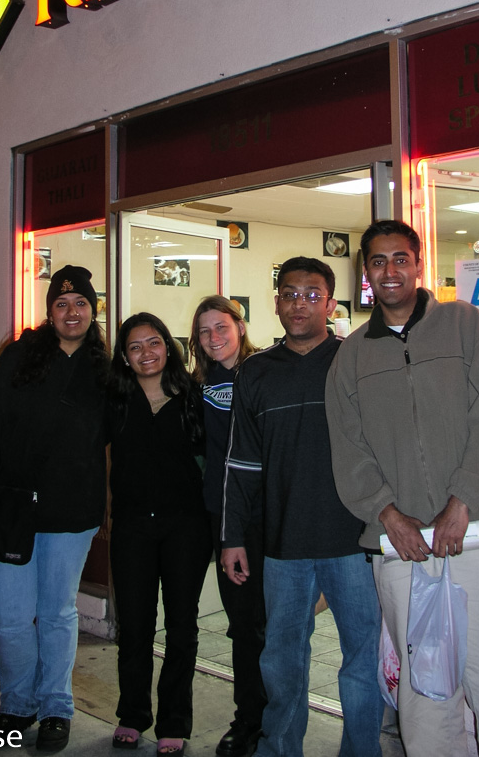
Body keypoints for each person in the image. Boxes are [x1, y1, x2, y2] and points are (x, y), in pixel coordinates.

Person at [325, 220, 479, 757]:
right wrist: (389, 516)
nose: (390, 270)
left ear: (419, 264)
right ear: (366, 274)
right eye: (378, 261)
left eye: (401, 258)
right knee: (424, 697)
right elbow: (349, 452)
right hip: (401, 546)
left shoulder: (466, 325)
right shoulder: (350, 357)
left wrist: (462, 501)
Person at [221, 257, 383, 757]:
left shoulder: (356, 360)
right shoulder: (256, 372)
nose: (300, 304)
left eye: (313, 295)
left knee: (362, 659)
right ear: (276, 302)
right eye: (290, 294)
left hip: (353, 540)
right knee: (282, 660)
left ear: (331, 303)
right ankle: (279, 748)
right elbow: (241, 462)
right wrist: (231, 537)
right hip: (282, 545)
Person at [0, 265, 108, 754]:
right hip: (9, 505)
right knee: (10, 616)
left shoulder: (106, 368)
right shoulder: (19, 357)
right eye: (62, 304)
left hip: (72, 511)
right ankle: (16, 703)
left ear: (93, 310)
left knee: (59, 613)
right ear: (49, 312)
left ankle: (55, 709)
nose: (72, 311)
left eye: (81, 303)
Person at [108, 312, 212, 757]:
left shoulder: (194, 396)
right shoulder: (114, 399)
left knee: (182, 627)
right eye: (135, 346)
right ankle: (132, 715)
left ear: (168, 347)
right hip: (131, 526)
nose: (146, 352)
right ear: (124, 357)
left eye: (153, 343)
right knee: (133, 626)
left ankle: (174, 720)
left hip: (186, 526)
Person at [189, 296, 266, 757]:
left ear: (239, 327)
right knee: (243, 625)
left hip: (272, 517)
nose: (214, 337)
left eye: (222, 327)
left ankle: (278, 714)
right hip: (226, 520)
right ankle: (248, 720)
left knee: (274, 624)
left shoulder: (265, 371)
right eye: (204, 331)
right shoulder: (197, 385)